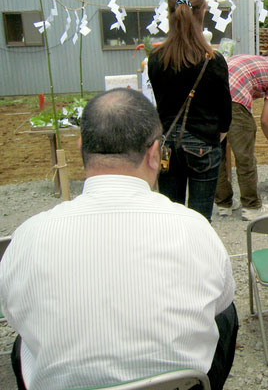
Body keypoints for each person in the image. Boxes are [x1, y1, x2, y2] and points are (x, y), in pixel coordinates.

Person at [0, 89, 237, 390]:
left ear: (81, 146)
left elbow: (15, 312)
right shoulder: (194, 227)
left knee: (24, 340)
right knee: (226, 313)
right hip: (179, 385)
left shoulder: (29, 235)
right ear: (154, 153)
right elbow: (221, 301)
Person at [148, 0, 231, 222]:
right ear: (203, 12)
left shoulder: (155, 59)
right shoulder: (213, 60)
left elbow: (161, 104)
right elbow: (225, 114)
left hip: (167, 146)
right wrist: (216, 137)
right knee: (200, 221)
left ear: (169, 14)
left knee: (171, 218)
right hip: (203, 144)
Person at [214, 43, 268, 221]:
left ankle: (223, 203)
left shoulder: (248, 58)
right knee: (245, 158)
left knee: (216, 154)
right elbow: (266, 119)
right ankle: (251, 207)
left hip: (211, 98)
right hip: (234, 101)